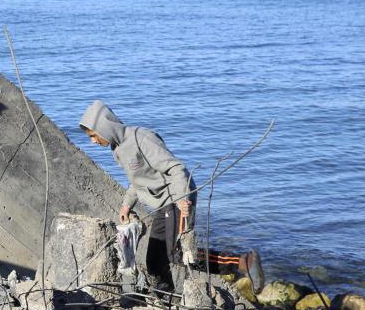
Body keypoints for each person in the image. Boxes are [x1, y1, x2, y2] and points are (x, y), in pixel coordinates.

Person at [79, 100, 265, 295]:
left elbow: (176, 168)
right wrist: (126, 205)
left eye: (93, 135)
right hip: (163, 204)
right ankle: (167, 298)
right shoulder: (117, 148)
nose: (93, 141)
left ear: (105, 127)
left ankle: (244, 262)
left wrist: (183, 199)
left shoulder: (142, 139)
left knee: (179, 254)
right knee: (154, 261)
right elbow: (138, 179)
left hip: (178, 197)